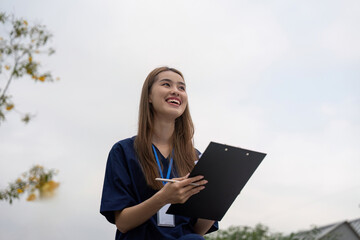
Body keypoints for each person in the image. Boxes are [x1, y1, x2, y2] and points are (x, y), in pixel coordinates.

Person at [100, 67, 218, 239]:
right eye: (166, 84)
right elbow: (123, 224)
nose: (175, 91)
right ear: (148, 96)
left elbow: (197, 231)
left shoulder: (195, 158)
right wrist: (163, 198)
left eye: (181, 88)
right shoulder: (123, 151)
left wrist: (218, 201)